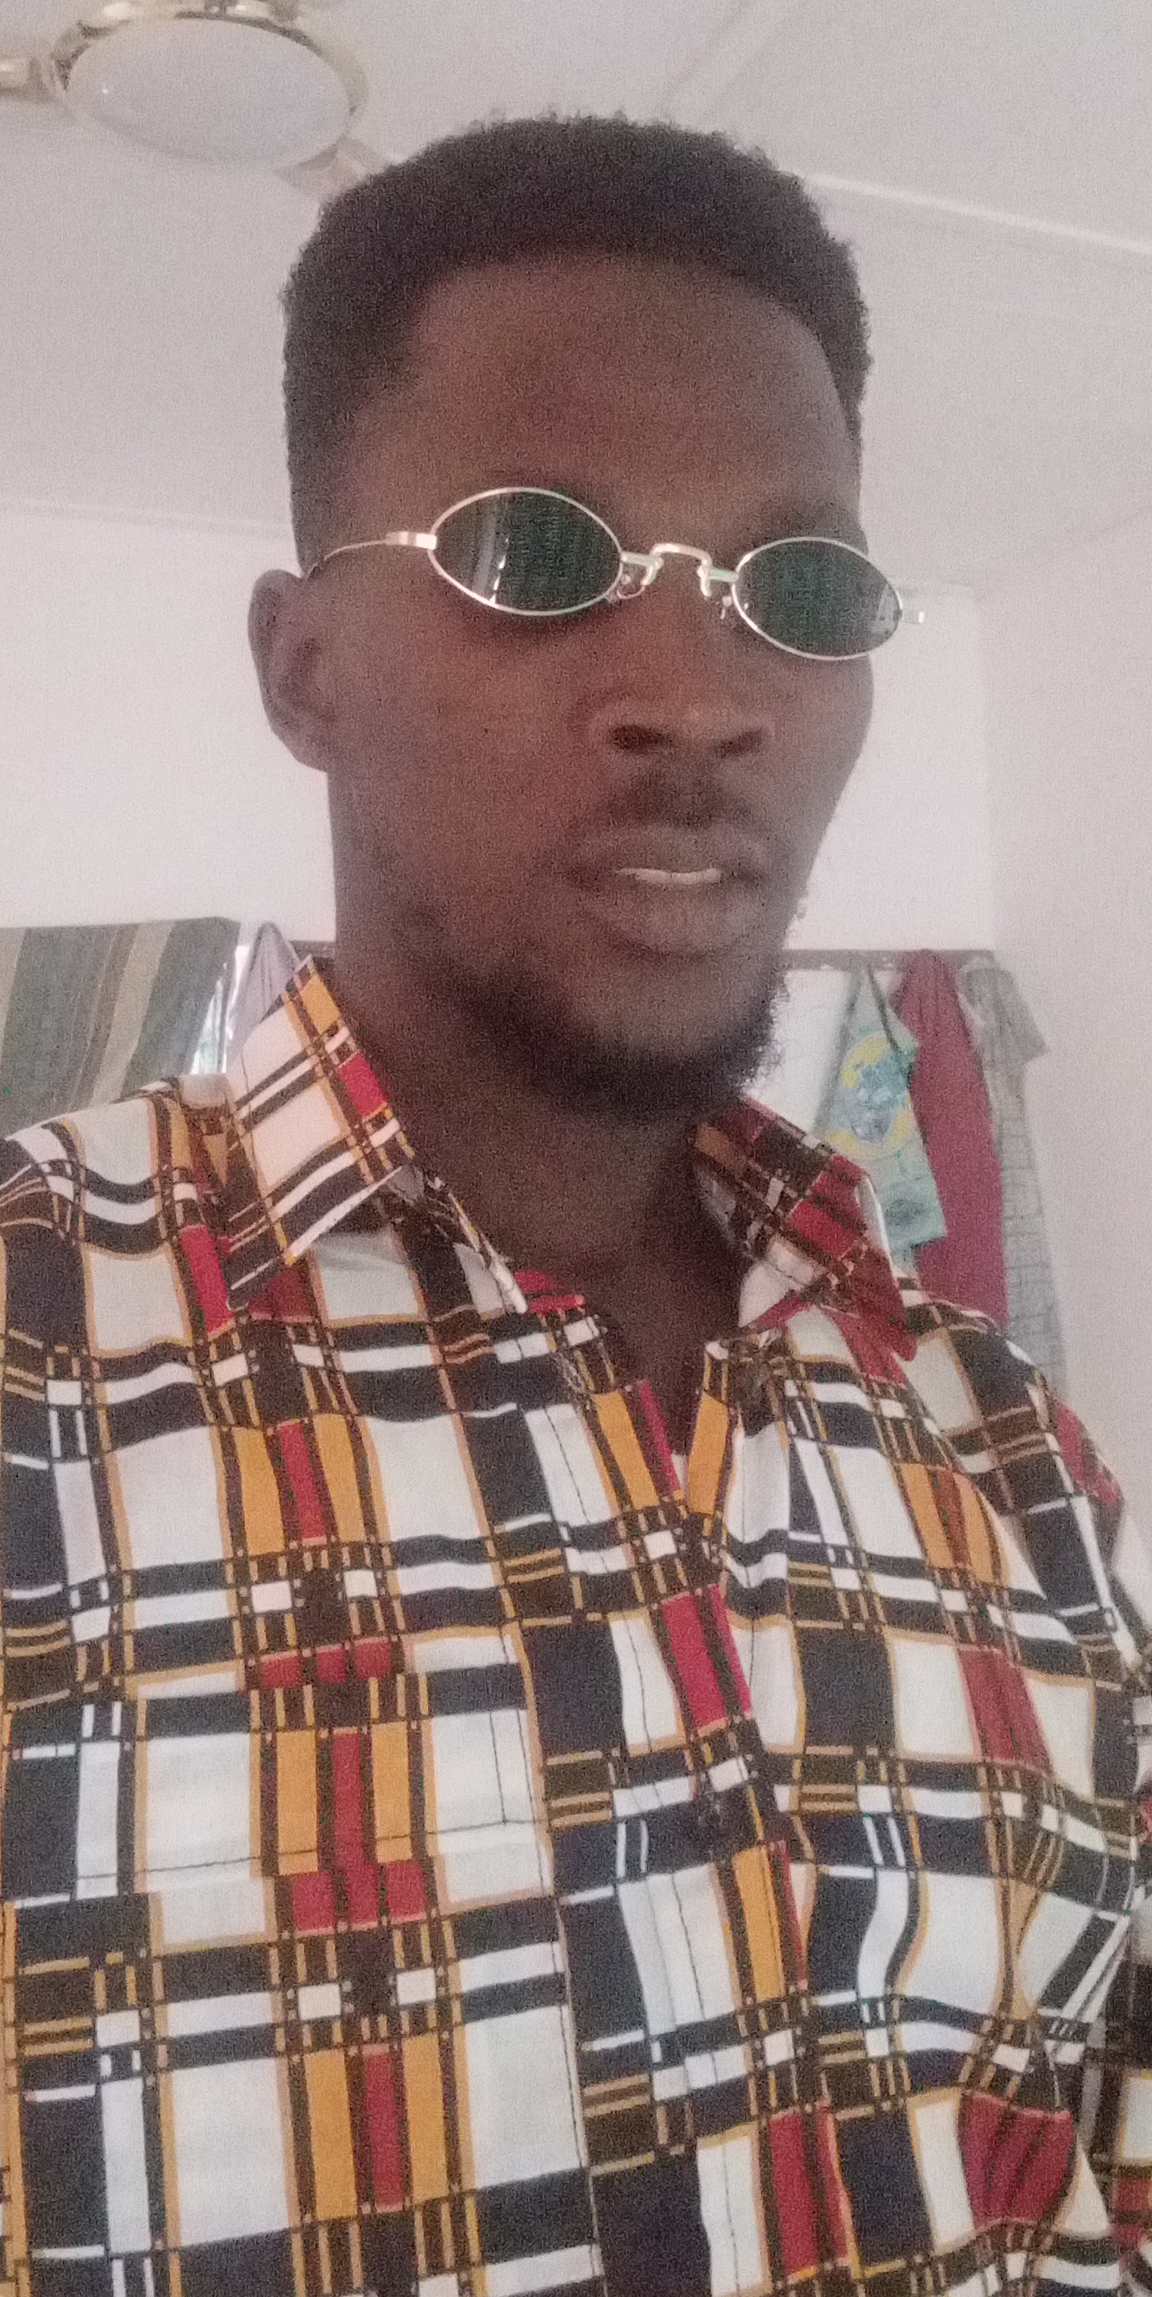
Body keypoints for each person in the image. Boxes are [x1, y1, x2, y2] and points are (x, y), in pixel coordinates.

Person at [1, 116, 1149, 2297]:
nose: (699, 696)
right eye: (538, 555)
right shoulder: (35, 1353)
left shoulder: (1011, 1460)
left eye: (800, 591)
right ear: (303, 668)